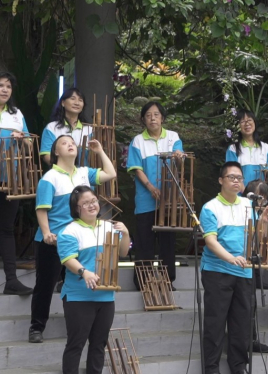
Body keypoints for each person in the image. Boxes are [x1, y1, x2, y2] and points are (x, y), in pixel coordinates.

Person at [30, 134, 116, 344]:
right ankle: (36, 327)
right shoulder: (49, 178)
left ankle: (79, 328)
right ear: (56, 152)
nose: (70, 145)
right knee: (45, 285)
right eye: (64, 143)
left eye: (72, 142)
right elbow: (42, 209)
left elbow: (110, 173)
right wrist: (47, 233)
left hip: (79, 239)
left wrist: (100, 151)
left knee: (77, 280)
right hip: (53, 241)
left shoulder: (84, 173)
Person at [199, 162, 268, 374]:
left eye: (239, 178)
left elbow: (259, 236)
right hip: (217, 270)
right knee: (215, 322)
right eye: (231, 177)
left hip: (244, 270)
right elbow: (211, 242)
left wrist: (266, 222)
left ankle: (238, 366)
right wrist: (231, 258)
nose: (236, 181)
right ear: (221, 181)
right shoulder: (210, 207)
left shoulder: (247, 205)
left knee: (241, 322)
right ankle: (211, 368)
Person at [58, 186, 130, 374]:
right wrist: (84, 272)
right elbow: (67, 259)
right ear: (76, 209)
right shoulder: (69, 231)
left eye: (94, 201)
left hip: (106, 296)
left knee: (98, 345)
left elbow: (123, 252)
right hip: (79, 297)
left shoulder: (109, 227)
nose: (92, 205)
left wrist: (126, 234)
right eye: (86, 203)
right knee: (76, 345)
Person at [127, 102, 184, 290]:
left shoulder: (173, 137)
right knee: (145, 242)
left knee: (167, 242)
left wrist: (178, 156)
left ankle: (168, 281)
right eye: (149, 115)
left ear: (162, 118)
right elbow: (136, 168)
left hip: (168, 199)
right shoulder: (138, 141)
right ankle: (143, 281)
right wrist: (151, 187)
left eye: (156, 114)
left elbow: (180, 157)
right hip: (145, 199)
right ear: (143, 119)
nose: (153, 118)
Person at [0, 71, 34, 295]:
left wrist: (23, 140)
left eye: (8, 86)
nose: (4, 89)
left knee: (6, 229)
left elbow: (30, 144)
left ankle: (11, 280)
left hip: (8, 179)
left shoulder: (15, 113)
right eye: (1, 85)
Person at [242, 179, 268, 354]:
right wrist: (261, 221)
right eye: (258, 197)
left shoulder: (262, 213)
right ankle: (244, 340)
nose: (261, 201)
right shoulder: (244, 211)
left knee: (252, 303)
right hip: (241, 263)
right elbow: (248, 236)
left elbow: (265, 241)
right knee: (245, 303)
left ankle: (252, 339)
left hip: (254, 263)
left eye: (265, 198)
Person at [40, 88, 94, 165]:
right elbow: (47, 155)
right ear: (63, 103)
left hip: (84, 175)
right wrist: (65, 169)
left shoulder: (89, 130)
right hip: (60, 174)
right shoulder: (52, 127)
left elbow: (95, 156)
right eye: (73, 99)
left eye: (80, 100)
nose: (77, 103)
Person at [226, 110, 268, 182]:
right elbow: (231, 175)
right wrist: (245, 191)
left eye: (249, 120)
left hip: (260, 192)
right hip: (239, 192)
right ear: (237, 126)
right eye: (243, 121)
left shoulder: (265, 148)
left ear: (254, 123)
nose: (247, 124)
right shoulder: (233, 149)